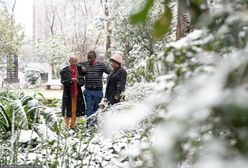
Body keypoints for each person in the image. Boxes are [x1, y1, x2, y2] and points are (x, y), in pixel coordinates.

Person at [79, 51, 111, 126]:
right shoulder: (85, 64)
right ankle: (90, 124)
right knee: (89, 107)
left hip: (98, 91)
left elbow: (110, 71)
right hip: (88, 91)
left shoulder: (101, 65)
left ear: (95, 58)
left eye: (91, 58)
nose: (89, 60)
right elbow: (76, 64)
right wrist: (81, 67)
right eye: (88, 58)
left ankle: (95, 122)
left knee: (96, 107)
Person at [60, 54, 85, 130]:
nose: (75, 63)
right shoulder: (65, 71)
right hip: (68, 93)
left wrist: (79, 82)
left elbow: (82, 81)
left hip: (76, 93)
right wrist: (71, 80)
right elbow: (63, 81)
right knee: (68, 111)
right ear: (69, 61)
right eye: (73, 61)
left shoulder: (79, 70)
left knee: (75, 111)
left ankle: (72, 126)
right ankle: (67, 126)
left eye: (76, 62)